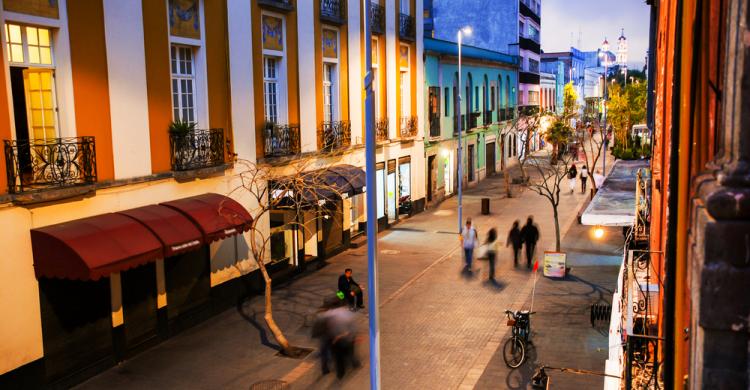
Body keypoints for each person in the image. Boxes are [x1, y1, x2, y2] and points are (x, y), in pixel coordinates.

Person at [327, 301, 360, 378]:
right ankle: (355, 364)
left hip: (337, 339)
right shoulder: (348, 313)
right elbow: (353, 326)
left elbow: (329, 327)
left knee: (339, 357)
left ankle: (341, 373)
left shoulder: (331, 314)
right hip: (349, 338)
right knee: (350, 352)